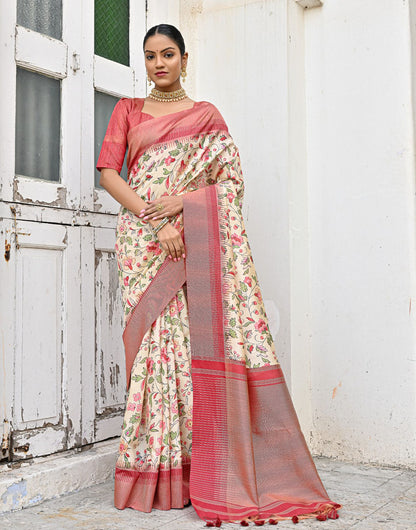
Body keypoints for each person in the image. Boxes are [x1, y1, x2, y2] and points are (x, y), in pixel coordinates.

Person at [97, 23, 341, 526]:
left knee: (190, 351)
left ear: (186, 58)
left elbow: (230, 185)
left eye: (168, 54)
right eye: (149, 56)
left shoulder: (207, 117)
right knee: (153, 353)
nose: (158, 63)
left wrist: (182, 209)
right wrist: (154, 217)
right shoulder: (128, 111)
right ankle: (153, 470)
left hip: (193, 240)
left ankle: (195, 471)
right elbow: (108, 173)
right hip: (143, 243)